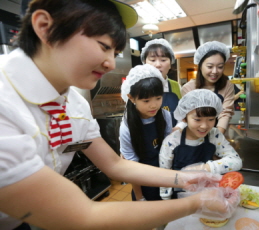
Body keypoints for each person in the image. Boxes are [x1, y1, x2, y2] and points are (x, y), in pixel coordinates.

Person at [0, 1, 239, 229]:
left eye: (115, 52)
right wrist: (196, 203)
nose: (111, 63)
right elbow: (82, 215)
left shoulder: (75, 105)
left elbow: (115, 164)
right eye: (104, 46)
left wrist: (184, 179)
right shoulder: (5, 101)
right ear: (45, 27)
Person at [159, 89, 242, 200]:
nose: (204, 126)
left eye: (211, 119)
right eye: (197, 119)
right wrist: (166, 200)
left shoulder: (214, 135)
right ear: (184, 118)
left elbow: (236, 161)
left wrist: (205, 168)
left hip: (207, 195)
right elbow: (164, 175)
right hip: (180, 197)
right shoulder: (172, 141)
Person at [120, 64, 172, 201]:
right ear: (131, 98)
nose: (154, 105)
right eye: (146, 100)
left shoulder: (165, 116)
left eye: (158, 98)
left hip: (164, 173)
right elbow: (132, 168)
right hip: (142, 180)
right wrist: (139, 197)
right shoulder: (127, 127)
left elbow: (168, 149)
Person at [181, 41, 235, 134]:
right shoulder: (188, 88)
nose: (215, 71)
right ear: (200, 66)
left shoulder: (227, 85)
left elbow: (225, 113)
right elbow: (189, 116)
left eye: (220, 67)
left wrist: (217, 138)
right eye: (210, 66)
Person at [141, 38, 182, 129]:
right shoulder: (138, 86)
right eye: (152, 60)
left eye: (163, 60)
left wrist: (178, 128)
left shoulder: (176, 86)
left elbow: (182, 114)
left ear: (170, 64)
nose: (158, 64)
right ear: (144, 63)